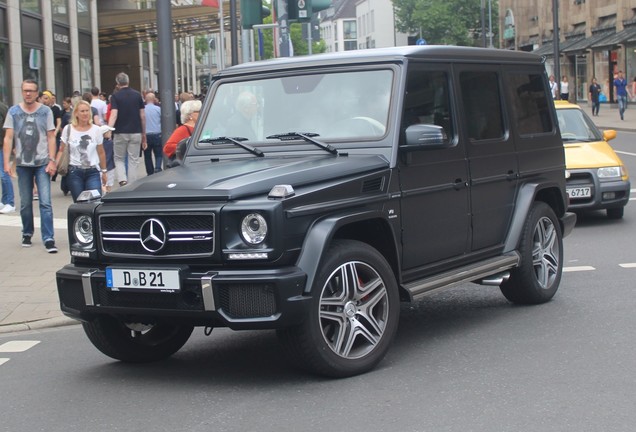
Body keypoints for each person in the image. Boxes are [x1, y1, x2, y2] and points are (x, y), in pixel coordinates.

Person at [2, 79, 58, 252]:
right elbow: (8, 138)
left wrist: (52, 160)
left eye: (31, 91)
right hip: (22, 164)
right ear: (22, 91)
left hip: (42, 163)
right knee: (25, 203)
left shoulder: (45, 111)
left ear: (37, 93)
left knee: (46, 202)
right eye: (25, 90)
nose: (28, 93)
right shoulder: (13, 111)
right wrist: (6, 163)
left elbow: (51, 136)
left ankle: (48, 238)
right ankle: (27, 232)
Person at [57, 100, 108, 202]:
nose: (85, 114)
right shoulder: (68, 129)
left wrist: (104, 171)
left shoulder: (96, 130)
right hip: (74, 171)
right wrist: (55, 164)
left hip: (92, 171)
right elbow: (61, 150)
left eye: (87, 111)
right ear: (76, 113)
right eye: (82, 111)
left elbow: (101, 152)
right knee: (80, 203)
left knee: (95, 202)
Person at [107, 72, 147, 186]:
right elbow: (142, 115)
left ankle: (122, 180)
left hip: (120, 132)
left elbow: (114, 114)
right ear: (128, 81)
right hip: (136, 131)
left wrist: (109, 130)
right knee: (133, 159)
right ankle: (132, 183)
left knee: (119, 158)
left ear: (118, 83)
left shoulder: (115, 96)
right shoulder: (137, 95)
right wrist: (144, 134)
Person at [0, 100, 15, 214]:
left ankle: (10, 202)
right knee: (2, 174)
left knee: (4, 174)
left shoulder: (3, 108)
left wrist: (12, 146)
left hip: (2, 145)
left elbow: (8, 130)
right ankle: (4, 200)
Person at [143, 92, 162, 175]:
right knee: (158, 153)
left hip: (146, 135)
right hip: (157, 134)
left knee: (147, 156)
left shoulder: (142, 109)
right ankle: (157, 168)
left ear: (145, 99)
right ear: (154, 99)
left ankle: (150, 172)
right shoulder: (158, 109)